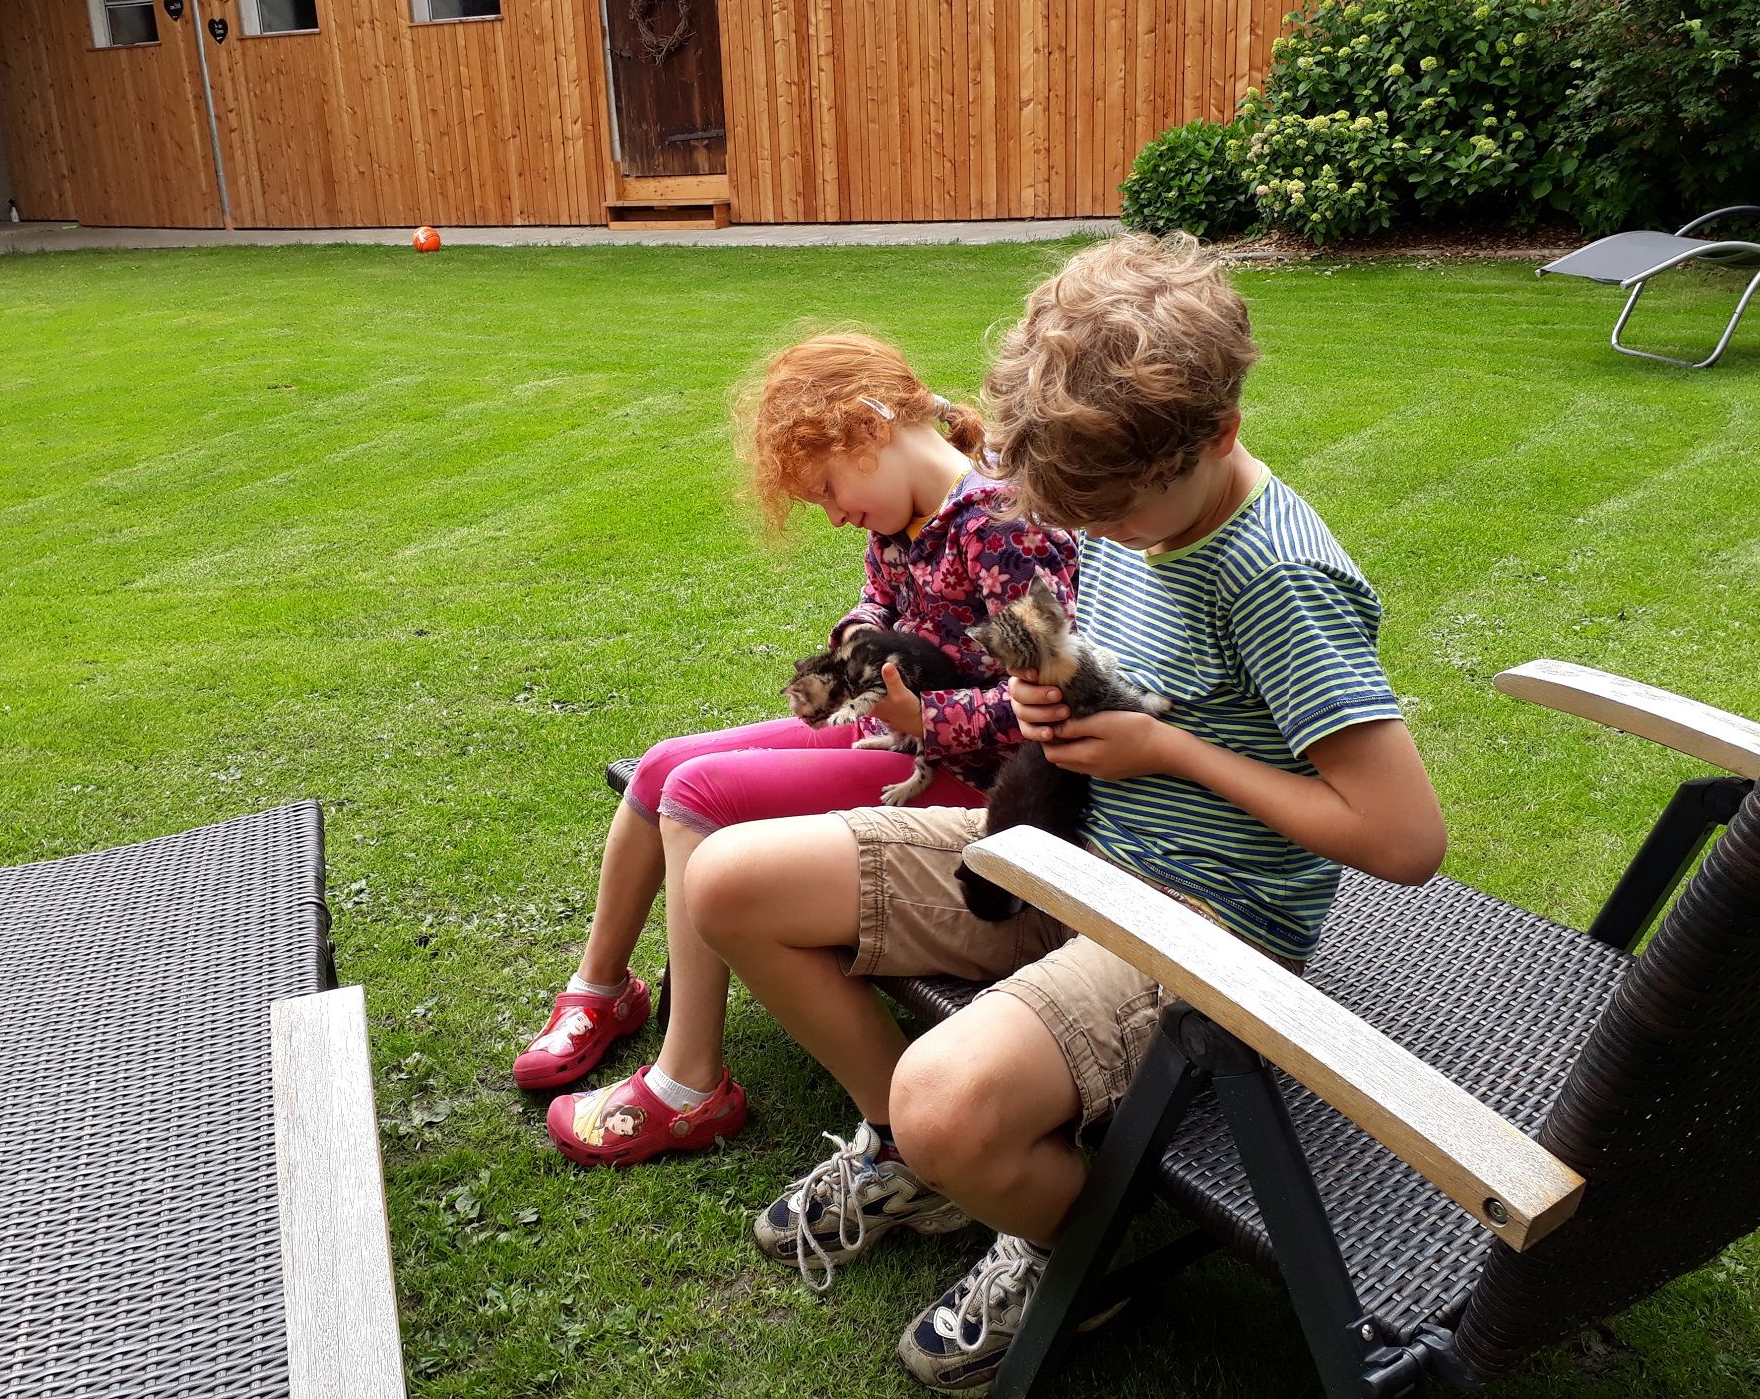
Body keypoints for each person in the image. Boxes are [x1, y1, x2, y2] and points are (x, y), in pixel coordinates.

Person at [684, 234, 1448, 1391]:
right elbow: (1109, 635)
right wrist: (1050, 684)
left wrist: (1165, 747)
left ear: (1218, 436)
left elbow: (1402, 841)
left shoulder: (1276, 576)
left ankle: (1061, 1240)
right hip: (1076, 846)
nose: (1104, 537)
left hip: (1204, 921)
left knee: (946, 1103)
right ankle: (912, 1160)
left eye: (1119, 517)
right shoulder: (1129, 494)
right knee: (727, 882)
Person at [517, 331, 1080, 1168]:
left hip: (966, 781)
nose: (835, 513)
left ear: (871, 424)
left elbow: (1047, 704)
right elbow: (876, 600)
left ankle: (689, 1082)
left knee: (700, 795)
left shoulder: (1000, 528)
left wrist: (924, 721)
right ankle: (605, 990)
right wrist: (859, 639)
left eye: (827, 490)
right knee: (669, 760)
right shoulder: (905, 517)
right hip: (895, 736)